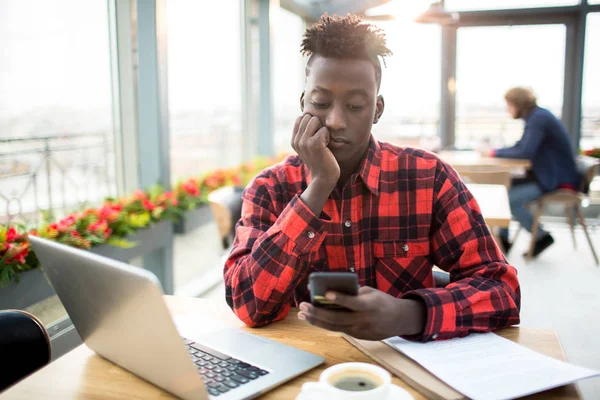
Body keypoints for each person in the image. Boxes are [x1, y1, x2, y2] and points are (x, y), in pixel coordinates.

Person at [224, 15, 520, 342]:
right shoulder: (270, 188)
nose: (335, 121)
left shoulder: (428, 177)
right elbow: (248, 305)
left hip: (403, 370)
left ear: (377, 110)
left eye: (354, 105)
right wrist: (319, 186)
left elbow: (502, 290)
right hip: (309, 366)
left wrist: (409, 314)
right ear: (303, 104)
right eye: (321, 103)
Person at [490, 87, 580, 257]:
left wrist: (493, 153)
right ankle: (503, 239)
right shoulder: (537, 117)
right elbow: (522, 147)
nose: (507, 109)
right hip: (548, 173)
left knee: (508, 200)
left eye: (508, 105)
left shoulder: (538, 119)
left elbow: (525, 152)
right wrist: (496, 151)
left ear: (517, 103)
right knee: (505, 189)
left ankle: (541, 236)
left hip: (557, 179)